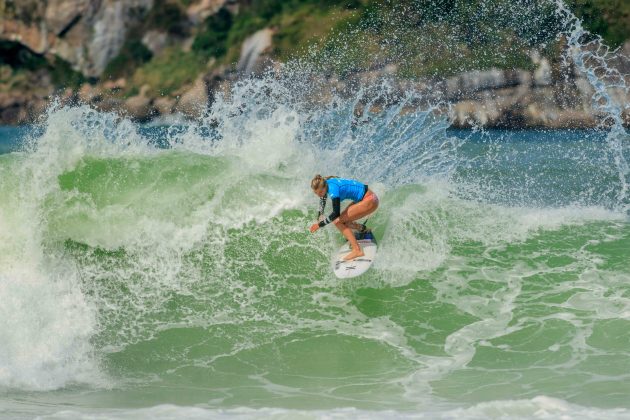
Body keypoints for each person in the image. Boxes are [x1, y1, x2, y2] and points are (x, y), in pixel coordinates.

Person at [309, 175, 379, 261]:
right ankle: (363, 229)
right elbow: (323, 197)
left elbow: (335, 214)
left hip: (370, 200)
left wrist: (319, 225)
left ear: (324, 187)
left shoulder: (333, 190)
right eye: (316, 193)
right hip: (368, 198)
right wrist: (320, 214)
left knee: (337, 221)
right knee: (344, 220)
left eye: (319, 192)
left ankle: (357, 250)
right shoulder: (326, 183)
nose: (318, 195)